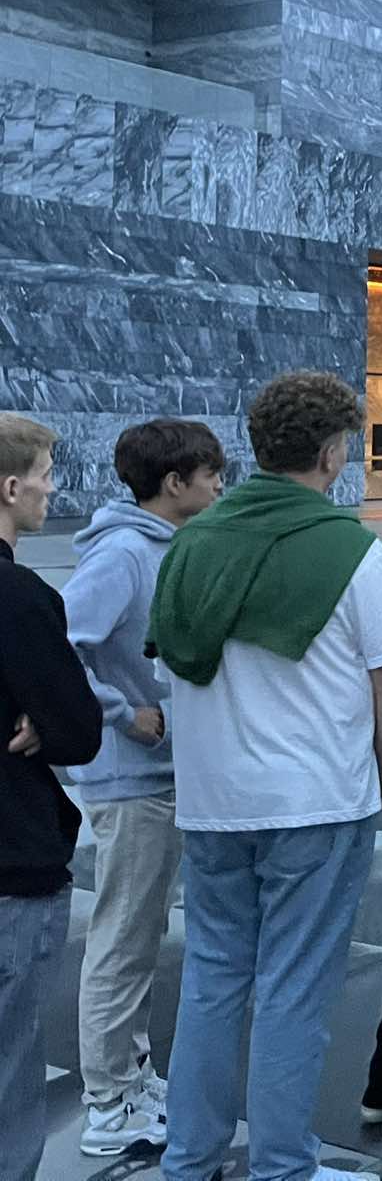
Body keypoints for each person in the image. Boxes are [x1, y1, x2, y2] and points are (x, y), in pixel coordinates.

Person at [151, 372, 382, 1181]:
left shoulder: (191, 542)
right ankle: (281, 1166)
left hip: (211, 803)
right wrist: (371, 782)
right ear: (333, 452)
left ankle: (189, 1161)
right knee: (295, 992)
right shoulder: (353, 552)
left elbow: (168, 664)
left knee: (212, 980)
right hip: (316, 801)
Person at [64, 420, 225, 1156]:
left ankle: (129, 1079)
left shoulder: (160, 545)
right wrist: (125, 714)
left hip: (155, 774)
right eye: (210, 472)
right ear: (173, 483)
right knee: (125, 938)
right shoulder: (125, 553)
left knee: (139, 931)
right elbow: (63, 643)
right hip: (130, 778)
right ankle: (109, 1105)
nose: (219, 483)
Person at [0, 415, 103, 1181]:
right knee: (9, 1068)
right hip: (13, 860)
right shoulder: (22, 598)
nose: (51, 488)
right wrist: (45, 717)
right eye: (43, 474)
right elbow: (77, 729)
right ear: (10, 488)